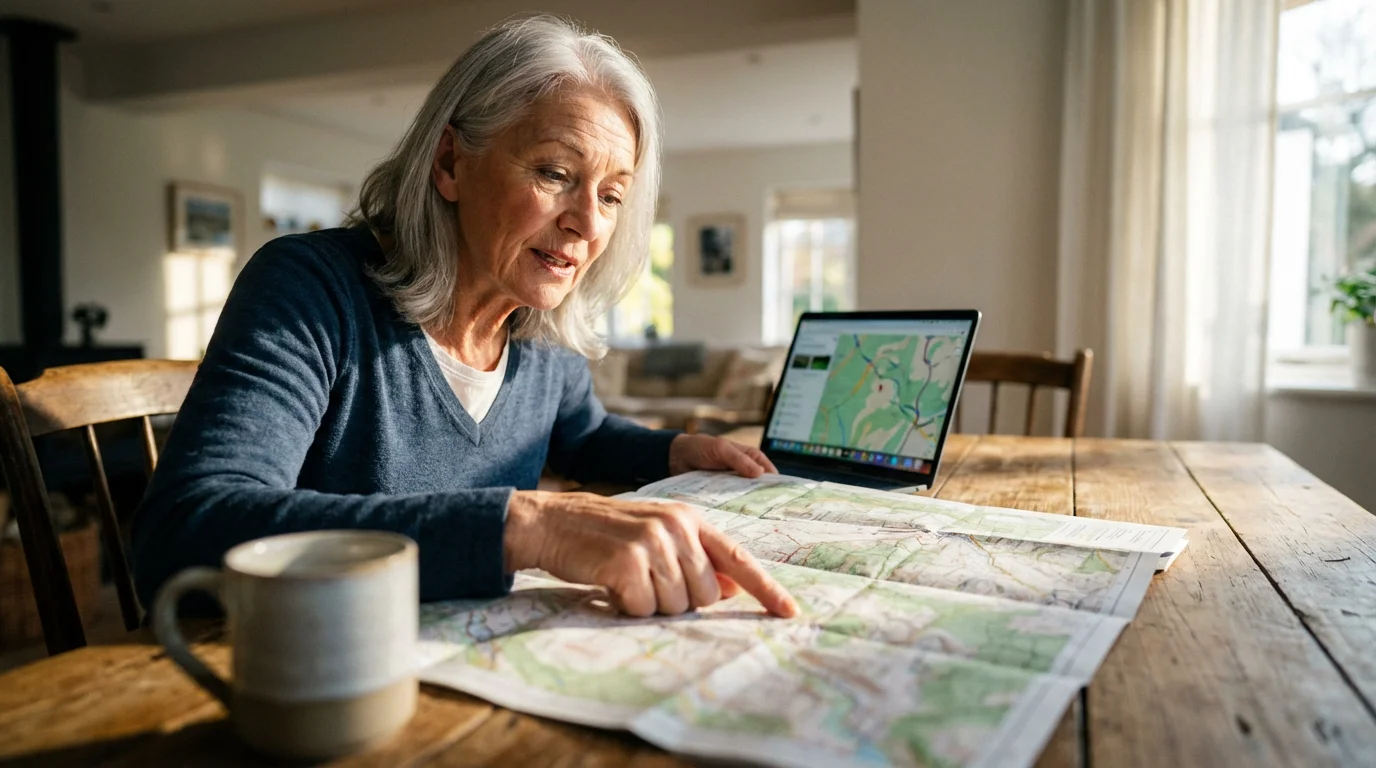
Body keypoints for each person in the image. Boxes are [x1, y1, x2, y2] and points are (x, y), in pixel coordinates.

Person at [131, 15, 798, 620]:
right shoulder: (309, 288)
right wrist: (524, 526)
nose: (588, 223)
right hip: (302, 669)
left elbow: (582, 436)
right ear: (450, 163)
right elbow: (187, 528)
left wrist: (676, 449)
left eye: (612, 195)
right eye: (555, 172)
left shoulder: (540, 331)